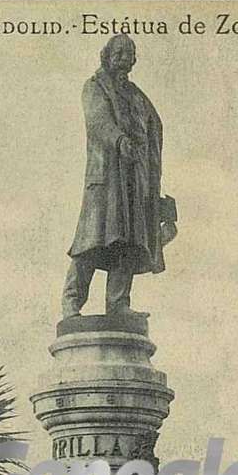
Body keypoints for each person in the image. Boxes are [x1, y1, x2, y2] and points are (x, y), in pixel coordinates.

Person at [62, 34, 177, 320]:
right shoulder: (95, 86)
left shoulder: (138, 96)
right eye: (120, 52)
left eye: (130, 53)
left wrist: (153, 186)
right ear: (107, 55)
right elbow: (98, 120)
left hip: (134, 180)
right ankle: (72, 302)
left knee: (128, 243)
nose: (125, 57)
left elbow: (153, 131)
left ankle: (118, 304)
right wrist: (120, 141)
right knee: (91, 241)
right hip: (107, 178)